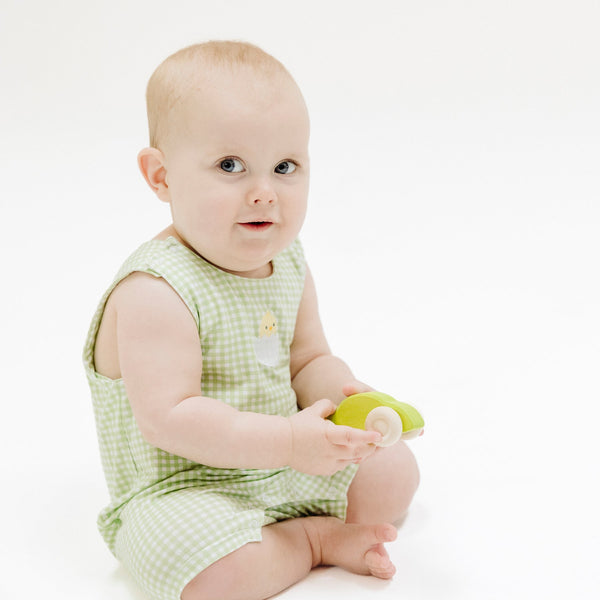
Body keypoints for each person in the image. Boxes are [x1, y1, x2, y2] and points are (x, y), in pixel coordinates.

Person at [83, 40, 420, 600]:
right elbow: (171, 419)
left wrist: (347, 400)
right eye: (230, 166)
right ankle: (312, 541)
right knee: (211, 579)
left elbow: (307, 357)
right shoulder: (156, 290)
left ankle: (283, 533)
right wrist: (288, 442)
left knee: (395, 473)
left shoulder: (285, 260)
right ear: (161, 176)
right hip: (186, 489)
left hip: (283, 463)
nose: (264, 193)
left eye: (284, 167)